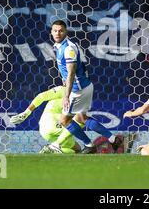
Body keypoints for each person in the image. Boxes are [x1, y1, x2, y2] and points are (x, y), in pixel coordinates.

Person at [47, 20, 122, 154]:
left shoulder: (68, 48)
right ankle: (113, 139)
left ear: (66, 32)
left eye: (61, 30)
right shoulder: (60, 46)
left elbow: (71, 73)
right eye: (55, 30)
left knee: (64, 120)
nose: (58, 33)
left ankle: (89, 145)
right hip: (84, 86)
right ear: (51, 32)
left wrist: (66, 96)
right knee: (82, 118)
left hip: (78, 89)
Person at [10, 86, 81, 154]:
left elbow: (42, 96)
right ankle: (52, 148)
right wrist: (26, 112)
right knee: (75, 128)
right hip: (52, 122)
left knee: (77, 149)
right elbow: (42, 96)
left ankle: (50, 151)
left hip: (46, 130)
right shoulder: (64, 90)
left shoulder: (78, 98)